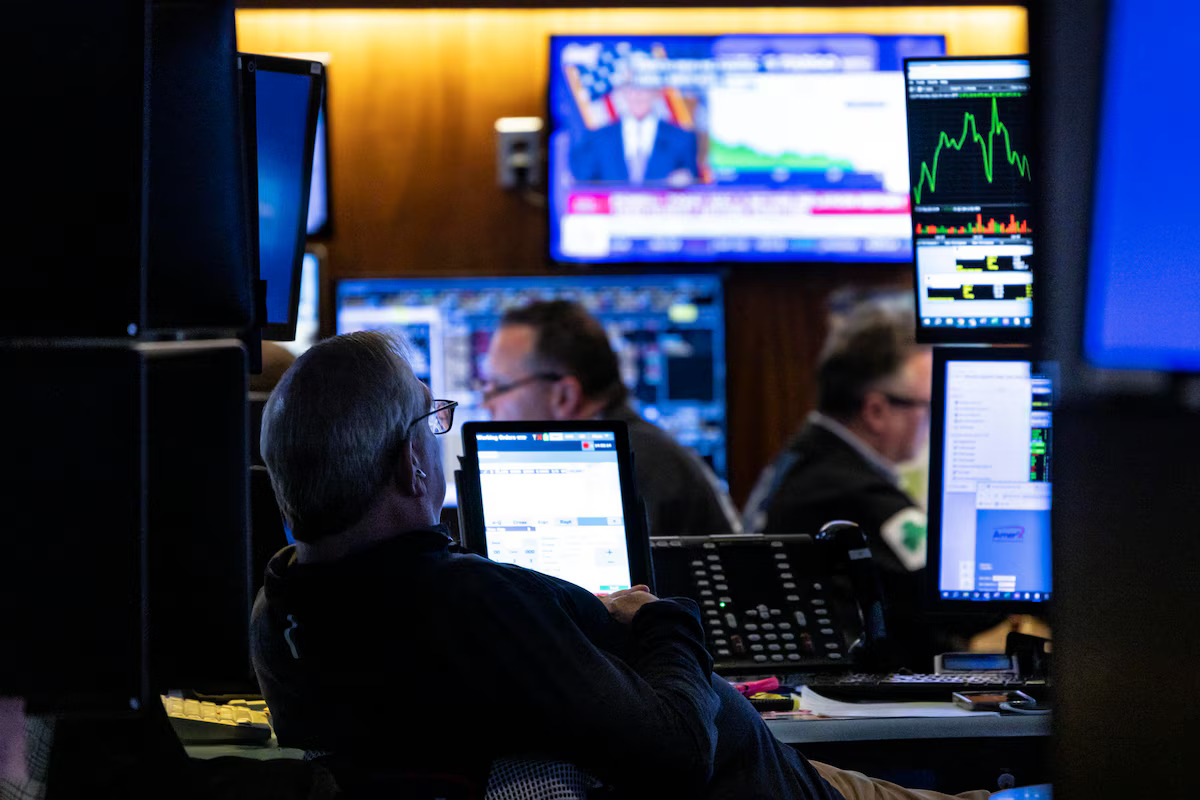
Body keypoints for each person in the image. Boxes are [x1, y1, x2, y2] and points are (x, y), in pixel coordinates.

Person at [250, 330, 993, 800]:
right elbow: (674, 757)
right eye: (434, 420)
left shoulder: (279, 615)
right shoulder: (472, 602)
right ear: (414, 466)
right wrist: (659, 621)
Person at [742, 299, 951, 668]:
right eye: (927, 406)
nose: (932, 421)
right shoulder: (852, 492)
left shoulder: (803, 458)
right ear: (876, 411)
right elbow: (945, 592)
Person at [480, 299, 739, 537]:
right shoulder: (631, 447)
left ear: (565, 396)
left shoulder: (631, 465)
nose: (487, 403)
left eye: (499, 388)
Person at [569, 79, 698, 186]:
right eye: (632, 89)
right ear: (623, 93)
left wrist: (685, 180)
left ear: (655, 93)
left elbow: (693, 180)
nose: (638, 95)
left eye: (644, 89)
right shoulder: (598, 139)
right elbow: (583, 182)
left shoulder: (681, 138)